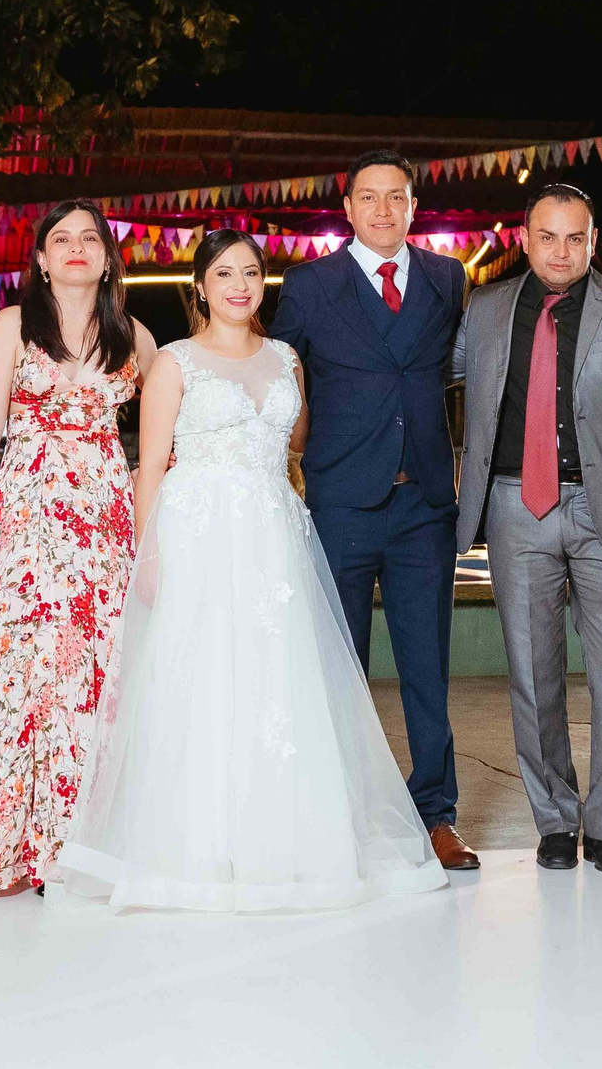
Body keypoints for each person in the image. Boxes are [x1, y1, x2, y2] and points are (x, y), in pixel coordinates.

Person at [52, 231, 447, 911]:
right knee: (202, 682)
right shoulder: (175, 363)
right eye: (225, 273)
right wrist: (150, 557)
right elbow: (148, 469)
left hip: (274, 537)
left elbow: (293, 443)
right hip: (199, 535)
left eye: (252, 272)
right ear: (200, 286)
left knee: (281, 682)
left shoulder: (287, 357)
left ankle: (288, 841)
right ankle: (200, 844)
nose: (240, 284)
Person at [454, 184, 602, 877]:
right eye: (547, 237)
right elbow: (428, 380)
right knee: (531, 674)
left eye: (574, 238)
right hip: (514, 505)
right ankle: (554, 821)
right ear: (524, 239)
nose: (560, 251)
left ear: (592, 239)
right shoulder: (486, 309)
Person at [267, 149, 476, 873]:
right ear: (347, 209)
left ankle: (436, 817)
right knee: (340, 668)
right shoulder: (308, 285)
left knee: (428, 664)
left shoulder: (449, 279)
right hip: (340, 499)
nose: (384, 210)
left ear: (414, 208)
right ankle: (343, 818)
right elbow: (278, 380)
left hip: (423, 500)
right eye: (369, 198)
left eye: (398, 198)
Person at [0, 201, 156, 896]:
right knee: (22, 677)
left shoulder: (137, 337)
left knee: (96, 675)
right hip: (30, 519)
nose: (75, 248)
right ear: (38, 258)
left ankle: (85, 849)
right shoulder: (11, 326)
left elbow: (171, 430)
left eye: (89, 238)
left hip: (104, 524)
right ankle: (10, 850)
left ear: (107, 256)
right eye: (60, 239)